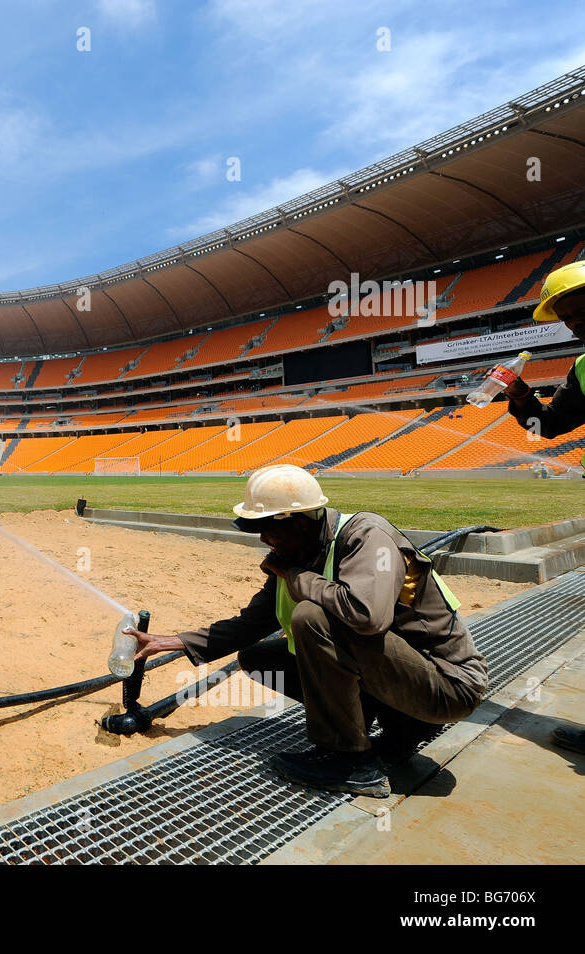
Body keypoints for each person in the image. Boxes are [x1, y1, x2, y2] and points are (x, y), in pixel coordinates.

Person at [128, 465, 488, 797]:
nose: (265, 541)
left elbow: (368, 617)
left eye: (268, 531)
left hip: (447, 686)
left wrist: (297, 578)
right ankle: (399, 729)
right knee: (258, 657)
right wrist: (170, 642)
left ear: (300, 523)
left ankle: (349, 760)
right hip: (403, 679)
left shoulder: (366, 536)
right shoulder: (301, 553)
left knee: (311, 618)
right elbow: (252, 623)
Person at [503, 259, 585, 754]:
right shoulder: (583, 368)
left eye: (583, 308)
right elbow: (549, 427)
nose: (577, 321)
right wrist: (520, 396)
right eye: (569, 315)